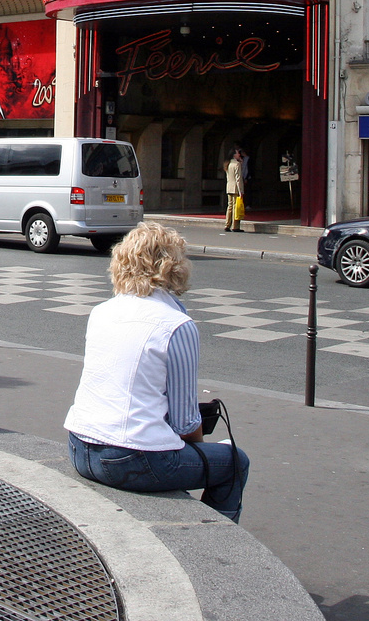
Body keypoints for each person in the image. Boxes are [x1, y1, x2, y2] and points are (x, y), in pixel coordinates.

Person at [64, 222, 250, 522]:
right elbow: (186, 421)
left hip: (79, 446)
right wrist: (196, 457)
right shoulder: (176, 325)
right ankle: (219, 535)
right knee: (235, 462)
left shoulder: (101, 312)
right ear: (173, 266)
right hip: (130, 458)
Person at [223, 149, 245, 232]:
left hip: (229, 186)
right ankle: (235, 226)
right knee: (236, 207)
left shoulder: (228, 164)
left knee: (230, 206)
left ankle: (227, 224)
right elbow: (238, 178)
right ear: (234, 155)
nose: (239, 154)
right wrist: (241, 191)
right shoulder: (237, 164)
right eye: (237, 153)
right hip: (236, 187)